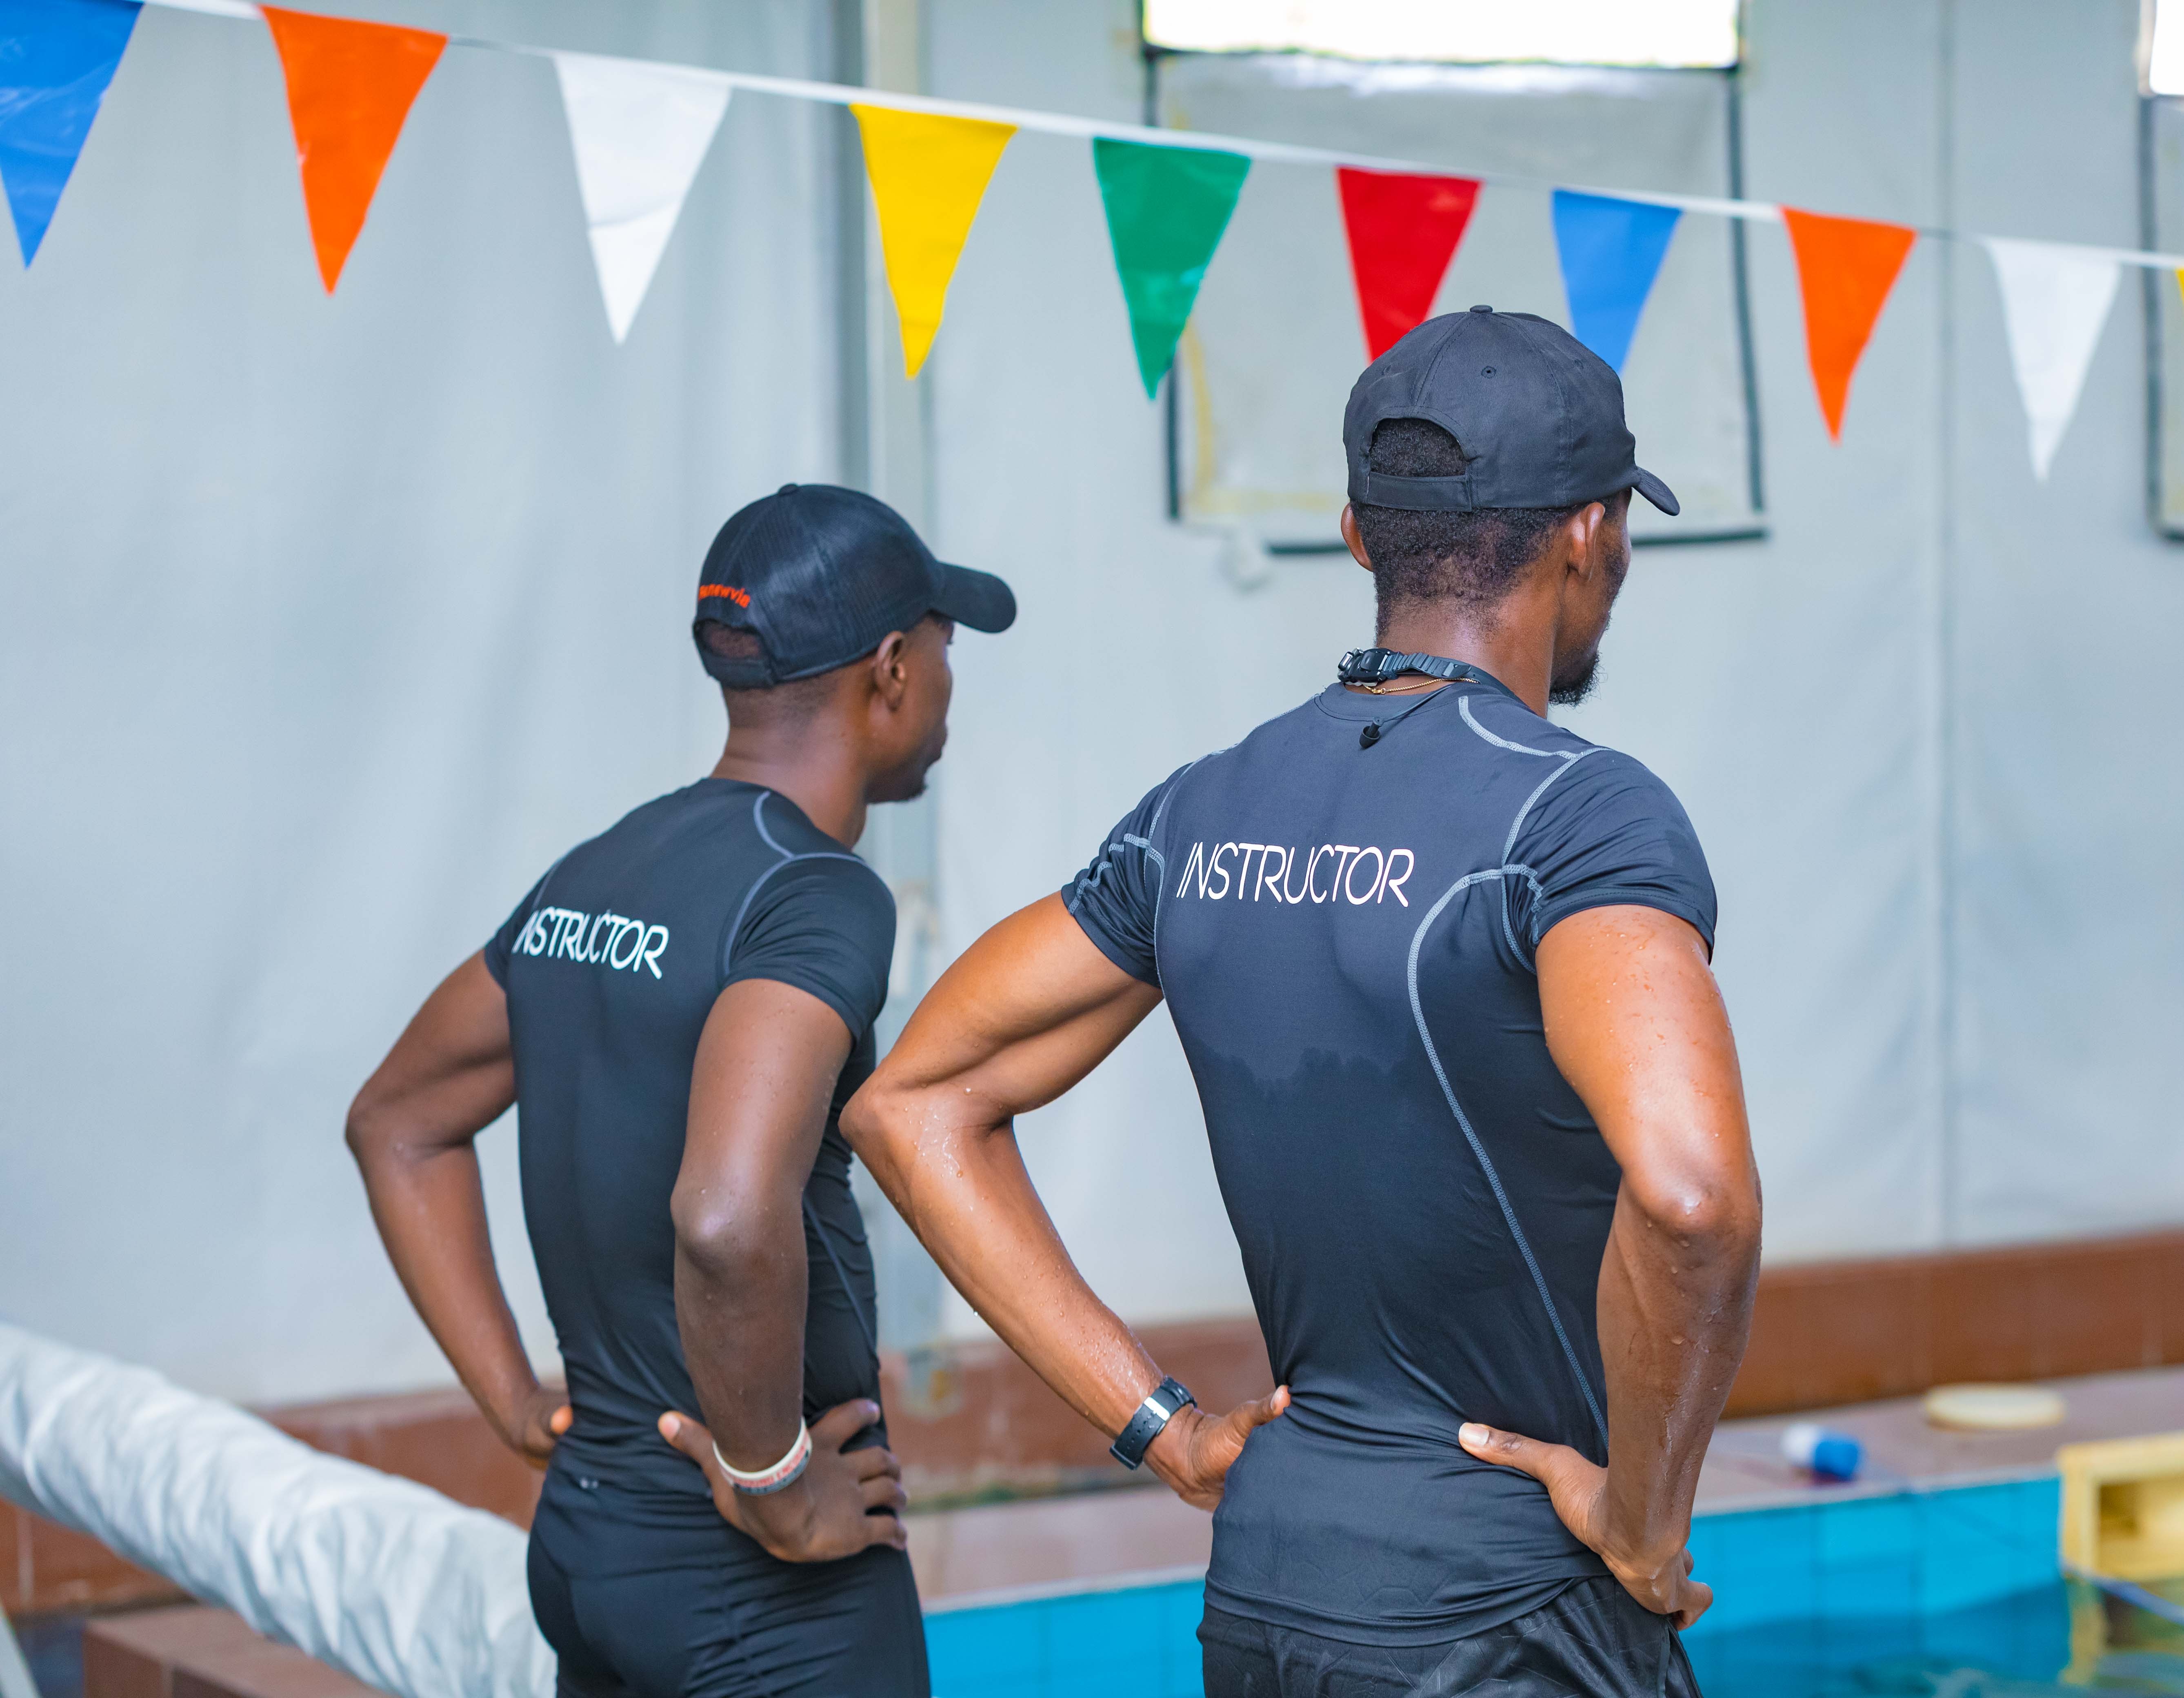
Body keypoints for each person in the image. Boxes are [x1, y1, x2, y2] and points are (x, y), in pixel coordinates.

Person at [843, 309, 1763, 1696]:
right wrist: (1643, 1521)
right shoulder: (1579, 819)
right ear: (1588, 533)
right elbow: (1692, 1196)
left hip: (1267, 1597)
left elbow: (910, 1105)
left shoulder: (1205, 811)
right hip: (1507, 1613)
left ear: (1353, 534)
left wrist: (1162, 1430)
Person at [346, 484, 1016, 1698]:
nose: (947, 678)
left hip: (592, 1545)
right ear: (892, 672)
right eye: (944, 645)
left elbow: (398, 1122)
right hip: (755, 1587)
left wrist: (513, 1399)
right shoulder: (813, 894)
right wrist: (773, 1486)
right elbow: (724, 1214)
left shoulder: (598, 869)